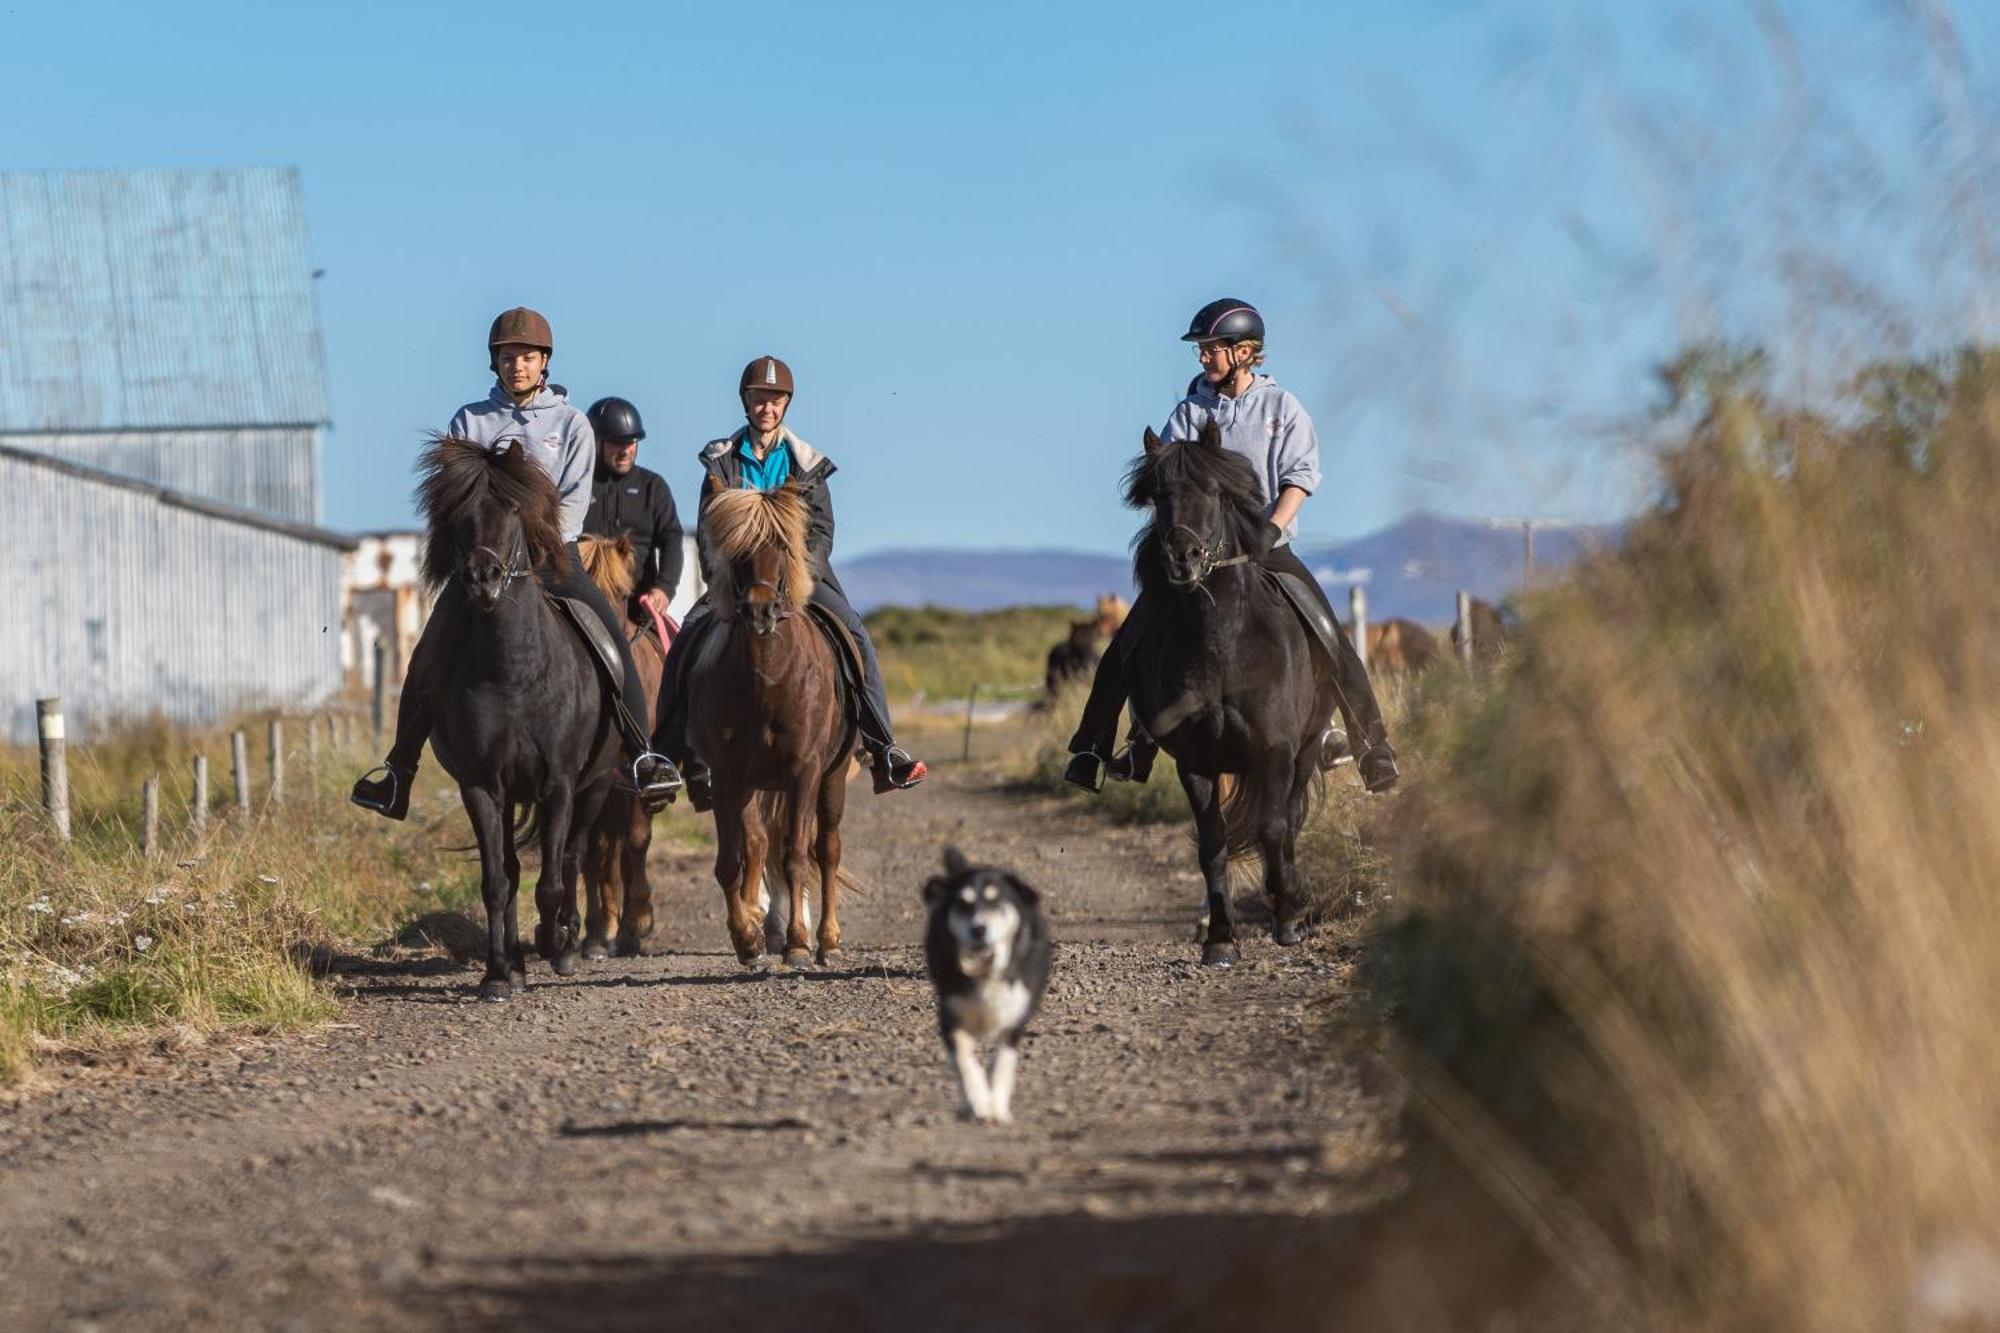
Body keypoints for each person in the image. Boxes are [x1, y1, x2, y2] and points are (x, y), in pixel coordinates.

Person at [350, 308, 682, 820]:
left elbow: (573, 503)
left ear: (544, 362)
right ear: (495, 363)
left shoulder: (570, 425)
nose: (518, 366)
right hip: (483, 563)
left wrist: (529, 546)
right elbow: (453, 502)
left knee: (611, 640)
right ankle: (400, 770)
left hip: (553, 557)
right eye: (508, 358)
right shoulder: (469, 422)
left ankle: (643, 755)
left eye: (527, 357)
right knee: (429, 649)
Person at [1062, 298, 1400, 794]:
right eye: (1201, 350)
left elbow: (1300, 477)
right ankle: (1099, 745)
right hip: (1197, 558)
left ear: (1244, 352)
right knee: (1127, 643)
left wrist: (1272, 528)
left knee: (1330, 634)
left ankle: (1371, 746)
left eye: (1211, 349)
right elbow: (1170, 478)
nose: (1202, 358)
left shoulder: (1282, 408)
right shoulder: (1189, 412)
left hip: (1266, 548)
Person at [653, 355, 926, 807]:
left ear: (786, 405)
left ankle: (883, 746)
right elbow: (707, 530)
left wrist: (799, 575)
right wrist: (722, 575)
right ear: (746, 401)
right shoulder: (720, 462)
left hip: (798, 575)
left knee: (854, 634)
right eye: (760, 398)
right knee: (687, 639)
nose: (767, 407)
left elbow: (821, 531)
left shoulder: (807, 464)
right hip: (737, 577)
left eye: (775, 399)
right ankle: (664, 752)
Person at [583, 395, 685, 621]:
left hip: (641, 609)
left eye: (631, 443)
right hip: (587, 607)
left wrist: (664, 588)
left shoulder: (653, 487)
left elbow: (672, 539)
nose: (626, 450)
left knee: (683, 652)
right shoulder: (577, 486)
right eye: (616, 443)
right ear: (596, 442)